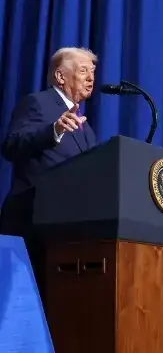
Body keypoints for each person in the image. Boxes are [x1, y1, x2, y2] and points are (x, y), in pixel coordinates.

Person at [1, 47, 98, 236]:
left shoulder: (86, 129)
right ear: (61, 77)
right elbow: (11, 146)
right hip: (32, 219)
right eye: (83, 70)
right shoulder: (37, 103)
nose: (90, 78)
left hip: (69, 224)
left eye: (92, 72)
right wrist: (54, 131)